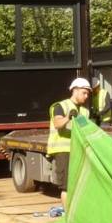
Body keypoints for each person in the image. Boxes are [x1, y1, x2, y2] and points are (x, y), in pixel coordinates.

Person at [47, 77, 93, 210]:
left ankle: (76, 213)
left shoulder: (85, 111)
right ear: (75, 90)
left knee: (78, 184)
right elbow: (57, 124)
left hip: (78, 151)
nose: (86, 96)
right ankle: (69, 217)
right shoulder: (61, 106)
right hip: (63, 150)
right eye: (84, 93)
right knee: (66, 185)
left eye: (87, 94)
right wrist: (68, 117)